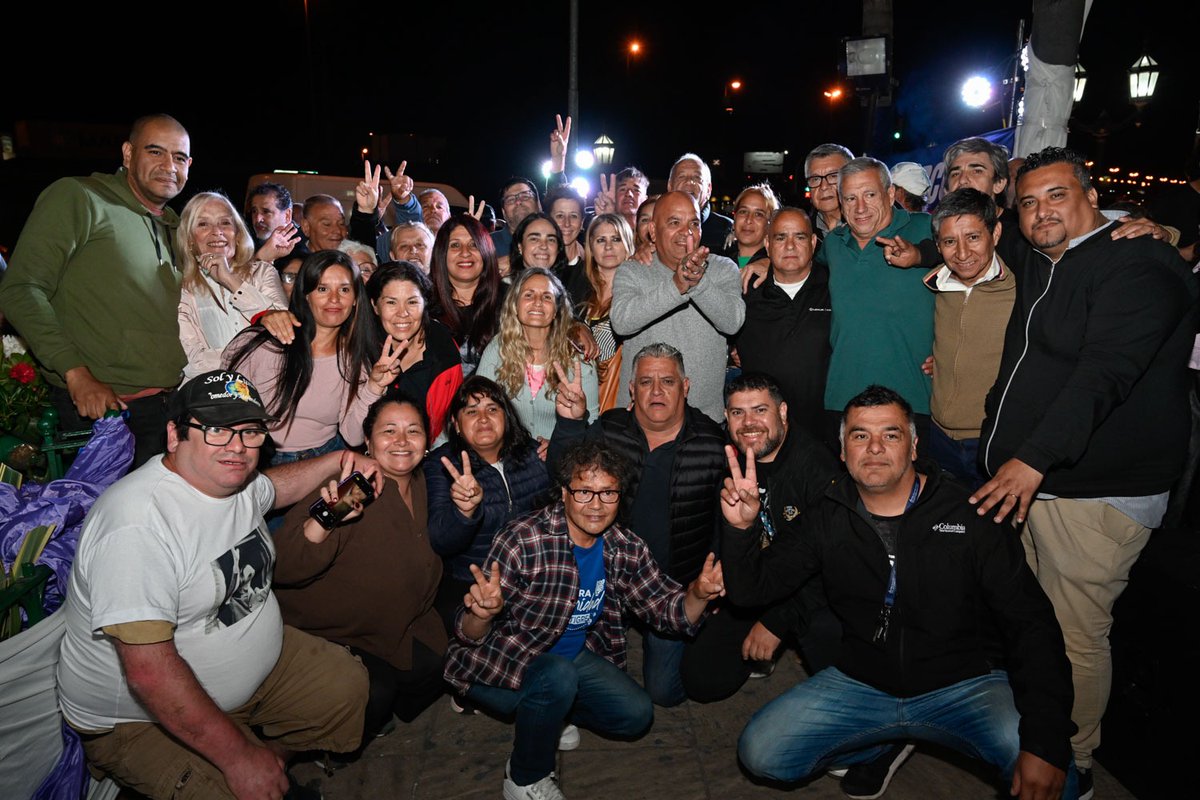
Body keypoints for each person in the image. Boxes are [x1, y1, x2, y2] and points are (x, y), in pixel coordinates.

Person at [722, 385, 1076, 800]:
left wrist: (1045, 740)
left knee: (1054, 775)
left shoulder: (969, 513)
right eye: (859, 436)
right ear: (842, 451)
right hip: (863, 682)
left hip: (964, 686)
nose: (874, 447)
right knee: (762, 752)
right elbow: (750, 591)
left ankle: (893, 739)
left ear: (912, 447)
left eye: (890, 435)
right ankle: (880, 743)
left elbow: (1032, 626)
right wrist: (742, 528)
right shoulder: (827, 514)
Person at [972, 147, 1197, 797]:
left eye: (1057, 196)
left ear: (1091, 196)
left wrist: (1033, 458)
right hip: (1041, 485)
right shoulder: (1045, 258)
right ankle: (1041, 726)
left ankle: (1073, 761)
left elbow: (1106, 373)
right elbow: (963, 242)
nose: (1041, 211)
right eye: (1029, 202)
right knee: (1036, 619)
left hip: (1095, 490)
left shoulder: (1138, 262)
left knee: (1074, 631)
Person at [56, 369, 373, 799]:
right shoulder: (138, 526)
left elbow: (273, 490)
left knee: (345, 688)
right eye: (217, 430)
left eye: (249, 432)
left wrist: (337, 461)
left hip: (249, 668)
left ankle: (272, 761)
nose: (237, 447)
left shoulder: (231, 482)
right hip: (140, 717)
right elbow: (149, 675)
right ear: (174, 435)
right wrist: (239, 759)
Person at [443, 440, 727, 800]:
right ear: (563, 494)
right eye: (584, 492)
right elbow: (469, 636)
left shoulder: (624, 546)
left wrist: (698, 594)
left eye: (608, 492)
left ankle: (549, 714)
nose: (596, 505)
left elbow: (666, 609)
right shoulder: (523, 539)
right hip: (505, 661)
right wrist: (480, 614)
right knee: (555, 677)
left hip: (573, 659)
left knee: (636, 715)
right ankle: (523, 777)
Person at [0, 114, 192, 467]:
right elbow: (20, 288)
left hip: (169, 407)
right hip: (107, 412)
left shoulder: (174, 227)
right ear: (128, 153)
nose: (169, 166)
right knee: (107, 521)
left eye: (179, 157)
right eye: (155, 152)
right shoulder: (80, 196)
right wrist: (75, 373)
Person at [549, 343, 726, 706]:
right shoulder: (609, 429)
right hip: (608, 582)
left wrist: (717, 581)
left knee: (664, 693)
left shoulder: (712, 443)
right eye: (646, 382)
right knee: (584, 681)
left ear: (686, 386)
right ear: (632, 389)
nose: (657, 391)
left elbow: (726, 521)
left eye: (667, 381)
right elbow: (562, 476)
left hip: (672, 587)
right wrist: (570, 423)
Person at [273, 395, 447, 745]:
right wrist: (329, 516)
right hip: (335, 632)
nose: (401, 441)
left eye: (413, 431)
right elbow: (284, 566)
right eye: (389, 431)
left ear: (427, 442)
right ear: (367, 442)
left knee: (438, 660)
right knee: (375, 692)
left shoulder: (425, 483)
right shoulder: (356, 486)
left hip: (400, 622)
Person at [678, 373, 839, 703]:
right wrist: (721, 584)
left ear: (782, 412)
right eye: (738, 413)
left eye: (760, 410)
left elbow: (830, 565)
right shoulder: (729, 459)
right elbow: (722, 532)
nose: (749, 423)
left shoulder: (817, 470)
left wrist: (777, 623)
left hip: (812, 591)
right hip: (756, 580)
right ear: (726, 417)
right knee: (700, 680)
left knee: (829, 639)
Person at [224, 250, 389, 463]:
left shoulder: (356, 359)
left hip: (324, 458)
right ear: (306, 294)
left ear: (356, 298)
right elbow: (225, 399)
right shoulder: (266, 342)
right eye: (322, 288)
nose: (334, 299)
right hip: (259, 457)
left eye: (345, 289)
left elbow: (353, 435)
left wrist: (374, 387)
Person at [425, 375, 553, 639]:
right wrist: (464, 512)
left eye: (492, 409)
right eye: (471, 411)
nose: (483, 418)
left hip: (535, 581)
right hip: (471, 584)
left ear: (506, 417)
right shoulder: (443, 465)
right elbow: (440, 541)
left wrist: (559, 450)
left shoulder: (535, 454)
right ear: (456, 425)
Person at [820, 157, 934, 450]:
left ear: (891, 194)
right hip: (843, 399)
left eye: (870, 195)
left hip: (913, 399)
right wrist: (763, 259)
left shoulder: (925, 229)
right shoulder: (834, 244)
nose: (860, 208)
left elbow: (975, 260)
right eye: (850, 198)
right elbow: (795, 265)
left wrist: (955, 352)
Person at [611, 191, 745, 422]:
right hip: (638, 421)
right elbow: (622, 322)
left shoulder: (723, 269)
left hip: (703, 423)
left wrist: (697, 282)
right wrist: (677, 285)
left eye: (694, 223)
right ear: (653, 231)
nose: (687, 232)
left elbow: (732, 322)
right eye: (675, 222)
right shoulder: (633, 270)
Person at [922, 188, 1015, 489]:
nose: (962, 254)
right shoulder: (935, 284)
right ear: (938, 244)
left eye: (973, 237)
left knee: (993, 533)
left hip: (991, 439)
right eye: (950, 241)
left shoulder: (1022, 288)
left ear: (995, 232)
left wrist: (1167, 234)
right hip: (937, 437)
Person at [735, 208, 831, 441]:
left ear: (813, 241)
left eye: (799, 237)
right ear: (767, 244)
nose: (790, 245)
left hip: (823, 434)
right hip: (761, 434)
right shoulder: (745, 291)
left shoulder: (834, 287)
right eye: (780, 237)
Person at [477, 267, 598, 444]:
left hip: (565, 458)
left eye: (547, 297)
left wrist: (560, 445)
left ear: (556, 309)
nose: (538, 302)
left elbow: (592, 423)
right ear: (515, 305)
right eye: (528, 295)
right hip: (511, 457)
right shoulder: (498, 349)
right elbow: (478, 405)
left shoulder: (577, 356)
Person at [176, 192, 289, 380]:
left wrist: (230, 280)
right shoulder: (182, 287)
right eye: (203, 224)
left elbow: (283, 336)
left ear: (237, 234)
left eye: (225, 222)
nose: (217, 231)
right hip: (211, 399)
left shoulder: (262, 273)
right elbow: (191, 362)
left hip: (267, 393)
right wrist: (257, 357)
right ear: (189, 239)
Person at [365, 261, 463, 442]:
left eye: (412, 302)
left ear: (425, 303)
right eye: (391, 302)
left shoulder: (444, 350)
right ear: (375, 306)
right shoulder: (360, 348)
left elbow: (450, 424)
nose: (402, 313)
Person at [428, 214, 505, 376]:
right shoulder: (423, 305)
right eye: (455, 245)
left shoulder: (510, 301)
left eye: (474, 245)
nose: (465, 253)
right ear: (442, 253)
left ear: (486, 251)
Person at [575, 213, 634, 412]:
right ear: (591, 247)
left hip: (618, 407)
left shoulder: (637, 297)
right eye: (601, 240)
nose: (608, 246)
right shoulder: (579, 299)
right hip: (577, 402)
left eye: (616, 239)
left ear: (627, 243)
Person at [666, 153, 731, 250]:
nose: (689, 181)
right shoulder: (656, 225)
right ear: (670, 186)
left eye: (697, 177)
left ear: (709, 189)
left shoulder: (728, 229)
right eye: (681, 176)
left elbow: (745, 262)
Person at [803, 143, 854, 238]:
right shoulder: (802, 234)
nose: (823, 186)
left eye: (833, 176)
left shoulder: (873, 231)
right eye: (815, 179)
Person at [722, 183, 778, 269]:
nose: (748, 220)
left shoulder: (778, 268)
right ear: (735, 218)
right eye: (743, 212)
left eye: (758, 214)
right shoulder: (716, 261)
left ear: (770, 225)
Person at [245, 182, 301, 263]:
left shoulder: (299, 254)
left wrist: (260, 258)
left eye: (266, 211)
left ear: (287, 216)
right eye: (254, 211)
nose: (258, 219)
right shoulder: (246, 244)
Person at [506, 212, 567, 280]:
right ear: (520, 247)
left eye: (551, 240)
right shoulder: (501, 287)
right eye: (534, 239)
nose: (544, 246)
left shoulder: (573, 283)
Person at [493, 178, 542, 258]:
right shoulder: (488, 244)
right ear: (503, 212)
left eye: (525, 196)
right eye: (510, 200)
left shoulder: (554, 239)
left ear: (538, 204)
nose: (518, 202)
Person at [546, 186, 586, 268]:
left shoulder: (593, 261)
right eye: (560, 216)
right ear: (548, 220)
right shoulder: (538, 261)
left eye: (573, 216)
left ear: (582, 222)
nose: (567, 223)